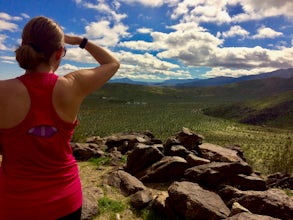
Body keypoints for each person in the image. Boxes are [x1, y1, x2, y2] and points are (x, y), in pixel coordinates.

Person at [0, 16, 120, 219]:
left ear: (23, 47)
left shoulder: (3, 91)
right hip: (65, 201)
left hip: (14, 203)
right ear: (58, 53)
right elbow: (112, 63)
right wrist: (78, 41)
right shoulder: (73, 85)